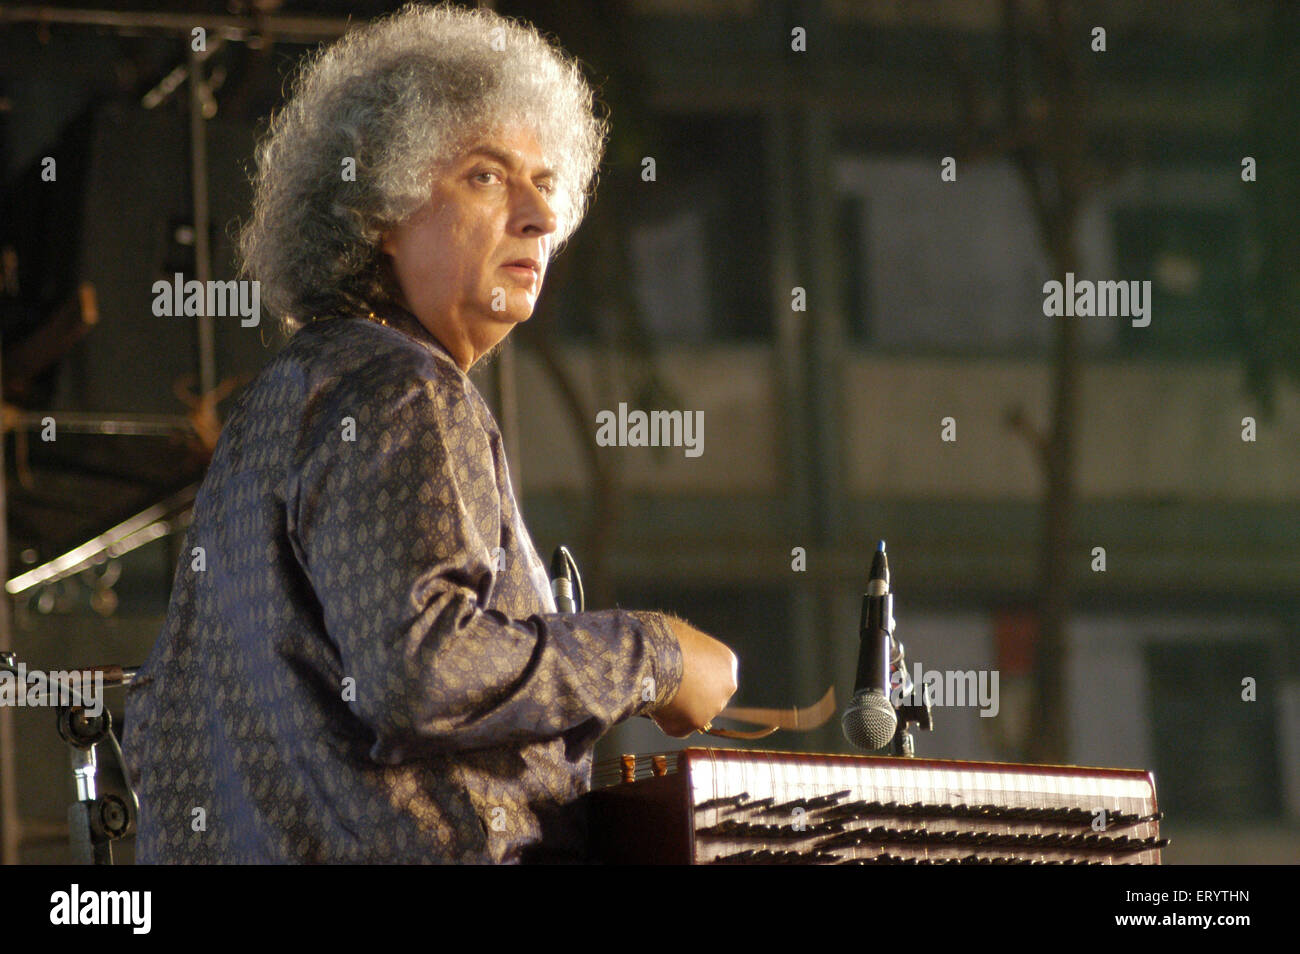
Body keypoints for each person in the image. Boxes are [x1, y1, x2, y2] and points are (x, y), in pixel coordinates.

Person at [123, 2, 737, 864]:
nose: (538, 217)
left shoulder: (282, 403)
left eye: (547, 181)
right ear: (378, 207)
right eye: (486, 177)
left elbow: (160, 722)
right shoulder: (403, 389)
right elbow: (423, 668)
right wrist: (654, 657)